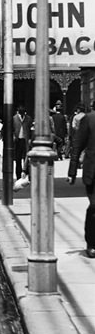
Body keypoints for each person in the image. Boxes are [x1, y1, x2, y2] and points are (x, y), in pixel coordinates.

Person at [68, 105, 95, 258]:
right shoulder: (89, 119)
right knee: (94, 207)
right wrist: (72, 172)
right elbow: (77, 145)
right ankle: (91, 243)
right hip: (93, 172)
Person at [12, 105, 33, 189]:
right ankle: (18, 175)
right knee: (17, 159)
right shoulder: (14, 118)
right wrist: (13, 136)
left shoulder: (28, 118)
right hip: (18, 140)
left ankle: (26, 174)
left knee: (26, 158)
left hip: (25, 140)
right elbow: (12, 128)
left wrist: (30, 138)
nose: (22, 114)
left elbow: (30, 129)